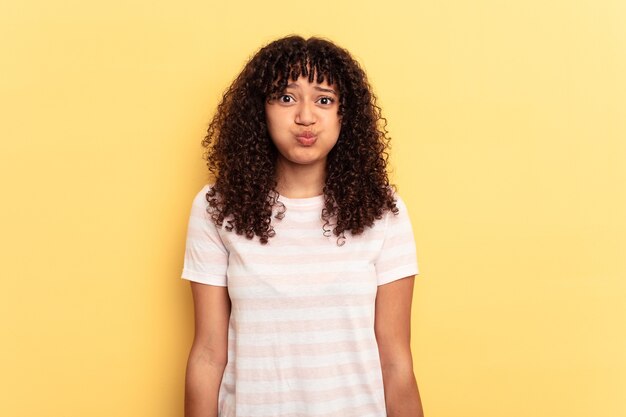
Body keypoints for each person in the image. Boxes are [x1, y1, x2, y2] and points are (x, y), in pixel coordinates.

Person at [181, 35, 424, 417]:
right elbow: (208, 355)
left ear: (346, 114)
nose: (305, 116)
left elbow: (395, 362)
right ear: (260, 110)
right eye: (286, 97)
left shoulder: (383, 210)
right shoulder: (218, 207)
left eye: (324, 99)